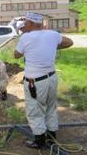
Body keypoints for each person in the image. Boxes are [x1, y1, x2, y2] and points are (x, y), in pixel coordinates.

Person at [14, 12, 73, 149]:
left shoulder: (26, 37)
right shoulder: (52, 34)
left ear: (31, 23)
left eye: (26, 22)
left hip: (35, 82)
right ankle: (52, 138)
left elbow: (16, 55)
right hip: (51, 78)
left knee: (34, 110)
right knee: (51, 108)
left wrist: (24, 38)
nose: (24, 24)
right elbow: (70, 42)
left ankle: (39, 141)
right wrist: (53, 46)